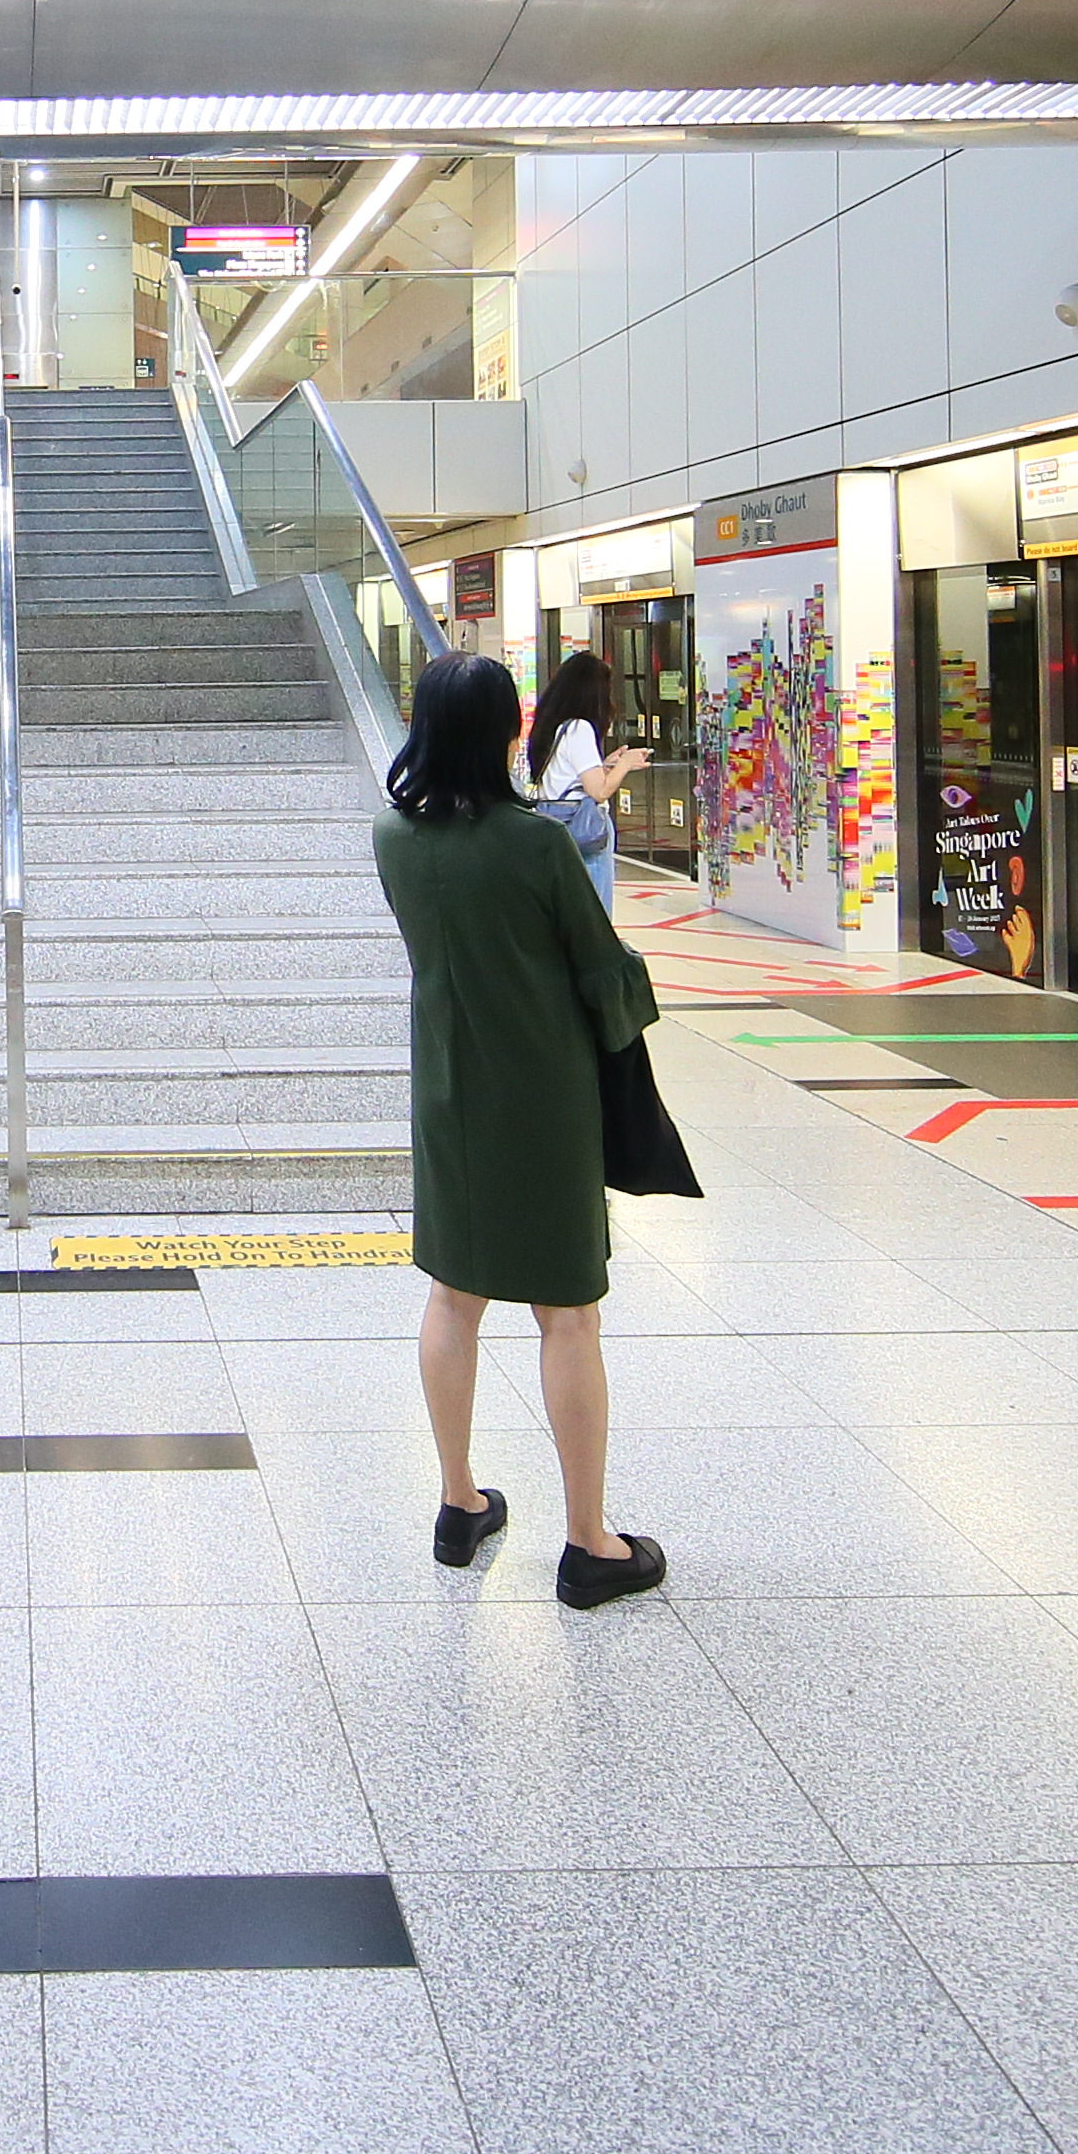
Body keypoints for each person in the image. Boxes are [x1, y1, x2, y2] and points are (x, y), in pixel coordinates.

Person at [377, 649, 669, 1608]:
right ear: (508, 733)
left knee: (453, 1296)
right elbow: (602, 969)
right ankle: (589, 1543)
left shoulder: (394, 837)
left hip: (448, 1091)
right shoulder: (540, 845)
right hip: (542, 1096)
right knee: (567, 1312)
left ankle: (460, 1502)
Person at [521, 642, 647, 907]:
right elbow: (598, 791)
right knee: (594, 909)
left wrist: (607, 765)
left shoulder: (553, 725)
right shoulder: (580, 728)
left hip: (554, 822)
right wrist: (624, 765)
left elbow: (566, 776)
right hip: (583, 829)